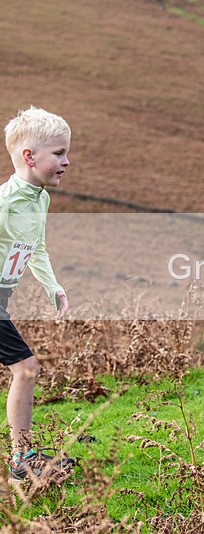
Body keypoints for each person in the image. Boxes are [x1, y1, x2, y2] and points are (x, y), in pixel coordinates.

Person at [2, 106, 76, 479]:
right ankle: (21, 459)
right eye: (59, 153)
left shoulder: (40, 199)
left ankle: (21, 456)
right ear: (29, 157)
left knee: (25, 370)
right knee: (26, 369)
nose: (67, 161)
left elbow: (37, 247)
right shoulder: (4, 203)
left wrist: (53, 287)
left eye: (66, 152)